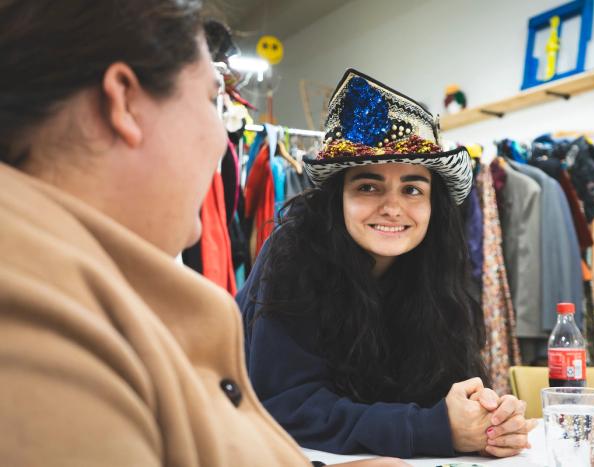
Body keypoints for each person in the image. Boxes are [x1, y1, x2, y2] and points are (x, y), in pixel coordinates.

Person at [0, 2, 406, 466]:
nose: (220, 139)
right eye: (212, 101)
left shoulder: (74, 287)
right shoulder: (38, 324)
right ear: (125, 102)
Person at [237, 69, 537, 459]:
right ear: (338, 198)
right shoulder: (293, 255)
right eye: (368, 186)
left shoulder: (434, 270)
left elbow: (452, 391)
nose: (393, 207)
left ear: (433, 204)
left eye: (412, 189)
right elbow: (288, 408)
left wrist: (490, 419)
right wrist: (436, 428)